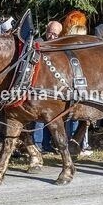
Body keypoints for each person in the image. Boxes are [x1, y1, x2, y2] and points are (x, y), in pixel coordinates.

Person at [32, 21, 63, 152]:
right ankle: (38, 144)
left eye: (55, 34)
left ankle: (47, 143)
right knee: (39, 117)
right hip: (38, 85)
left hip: (54, 86)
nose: (52, 36)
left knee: (51, 117)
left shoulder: (59, 45)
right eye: (50, 32)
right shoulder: (38, 43)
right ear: (46, 30)